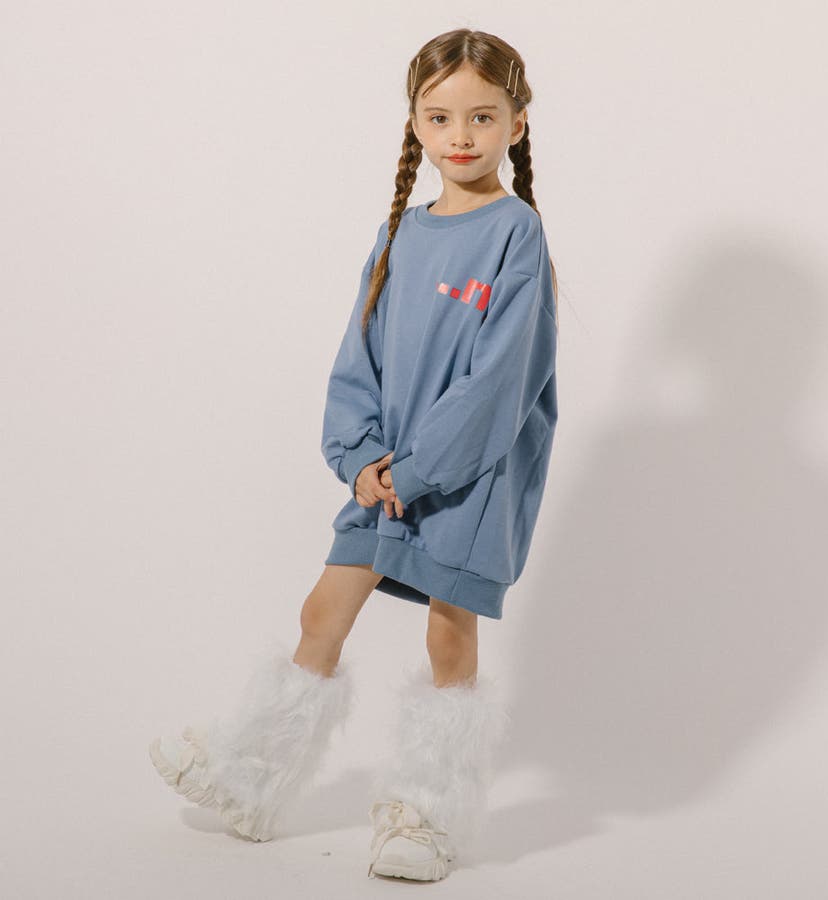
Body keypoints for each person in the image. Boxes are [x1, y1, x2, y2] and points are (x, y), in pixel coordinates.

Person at [149, 27, 559, 883]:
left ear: (517, 123)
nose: (460, 136)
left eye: (482, 117)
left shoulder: (517, 235)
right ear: (414, 123)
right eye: (440, 117)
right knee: (320, 614)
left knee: (449, 637)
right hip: (383, 480)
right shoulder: (399, 233)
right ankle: (251, 778)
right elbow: (358, 356)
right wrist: (362, 457)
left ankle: (426, 814)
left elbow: (497, 385)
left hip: (464, 483)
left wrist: (417, 471)